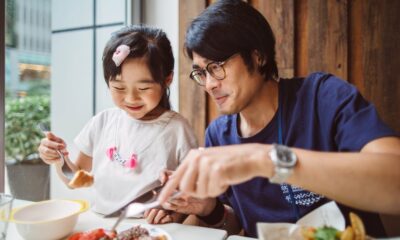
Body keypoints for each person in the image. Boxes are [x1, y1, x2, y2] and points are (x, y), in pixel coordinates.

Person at [158, 0, 400, 238]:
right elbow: (234, 226)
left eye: (217, 66)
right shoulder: (219, 134)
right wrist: (210, 210)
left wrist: (267, 159)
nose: (209, 84)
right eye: (201, 72)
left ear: (258, 56)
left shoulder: (322, 98)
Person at [38, 25, 198, 222]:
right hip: (99, 223)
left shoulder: (177, 130)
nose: (131, 98)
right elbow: (76, 180)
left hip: (149, 228)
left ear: (167, 80)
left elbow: (192, 193)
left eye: (143, 87)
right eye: (119, 87)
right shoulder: (103, 122)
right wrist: (58, 159)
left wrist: (173, 213)